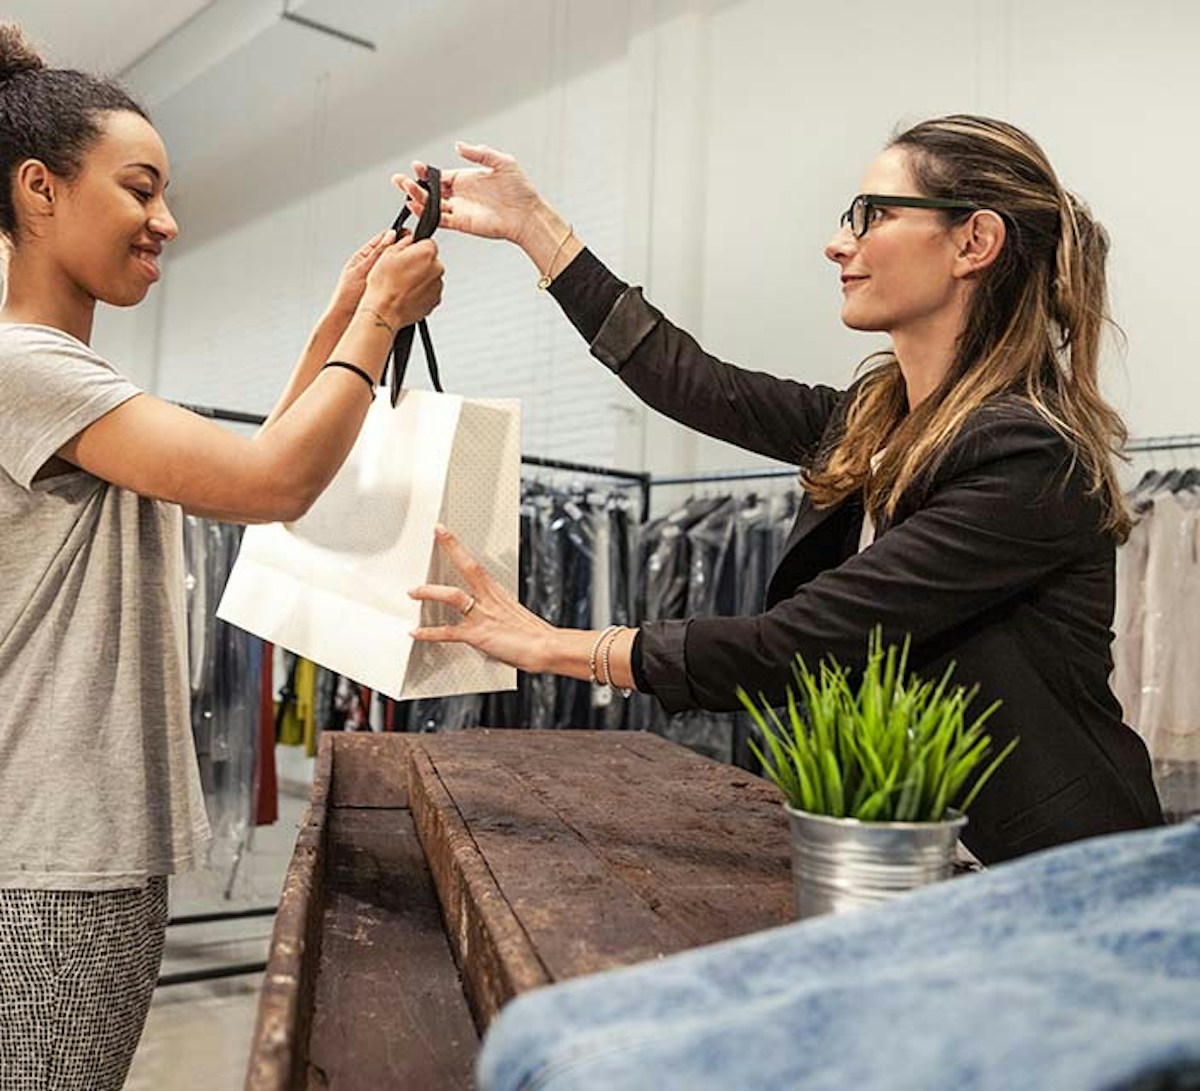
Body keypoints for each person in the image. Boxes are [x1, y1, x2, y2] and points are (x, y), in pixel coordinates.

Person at [402, 116, 1163, 864]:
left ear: (975, 242)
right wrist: (532, 224)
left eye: (873, 215)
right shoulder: (874, 421)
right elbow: (689, 380)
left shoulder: (1029, 456)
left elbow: (796, 644)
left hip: (1055, 869)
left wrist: (549, 644)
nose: (840, 242)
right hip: (916, 845)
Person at [0, 24, 442, 1090]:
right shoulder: (28, 367)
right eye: (140, 189)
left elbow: (259, 459)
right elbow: (271, 485)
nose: (168, 220)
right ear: (40, 189)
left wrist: (347, 308)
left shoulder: (58, 375)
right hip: (48, 854)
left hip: (62, 844)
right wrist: (376, 322)